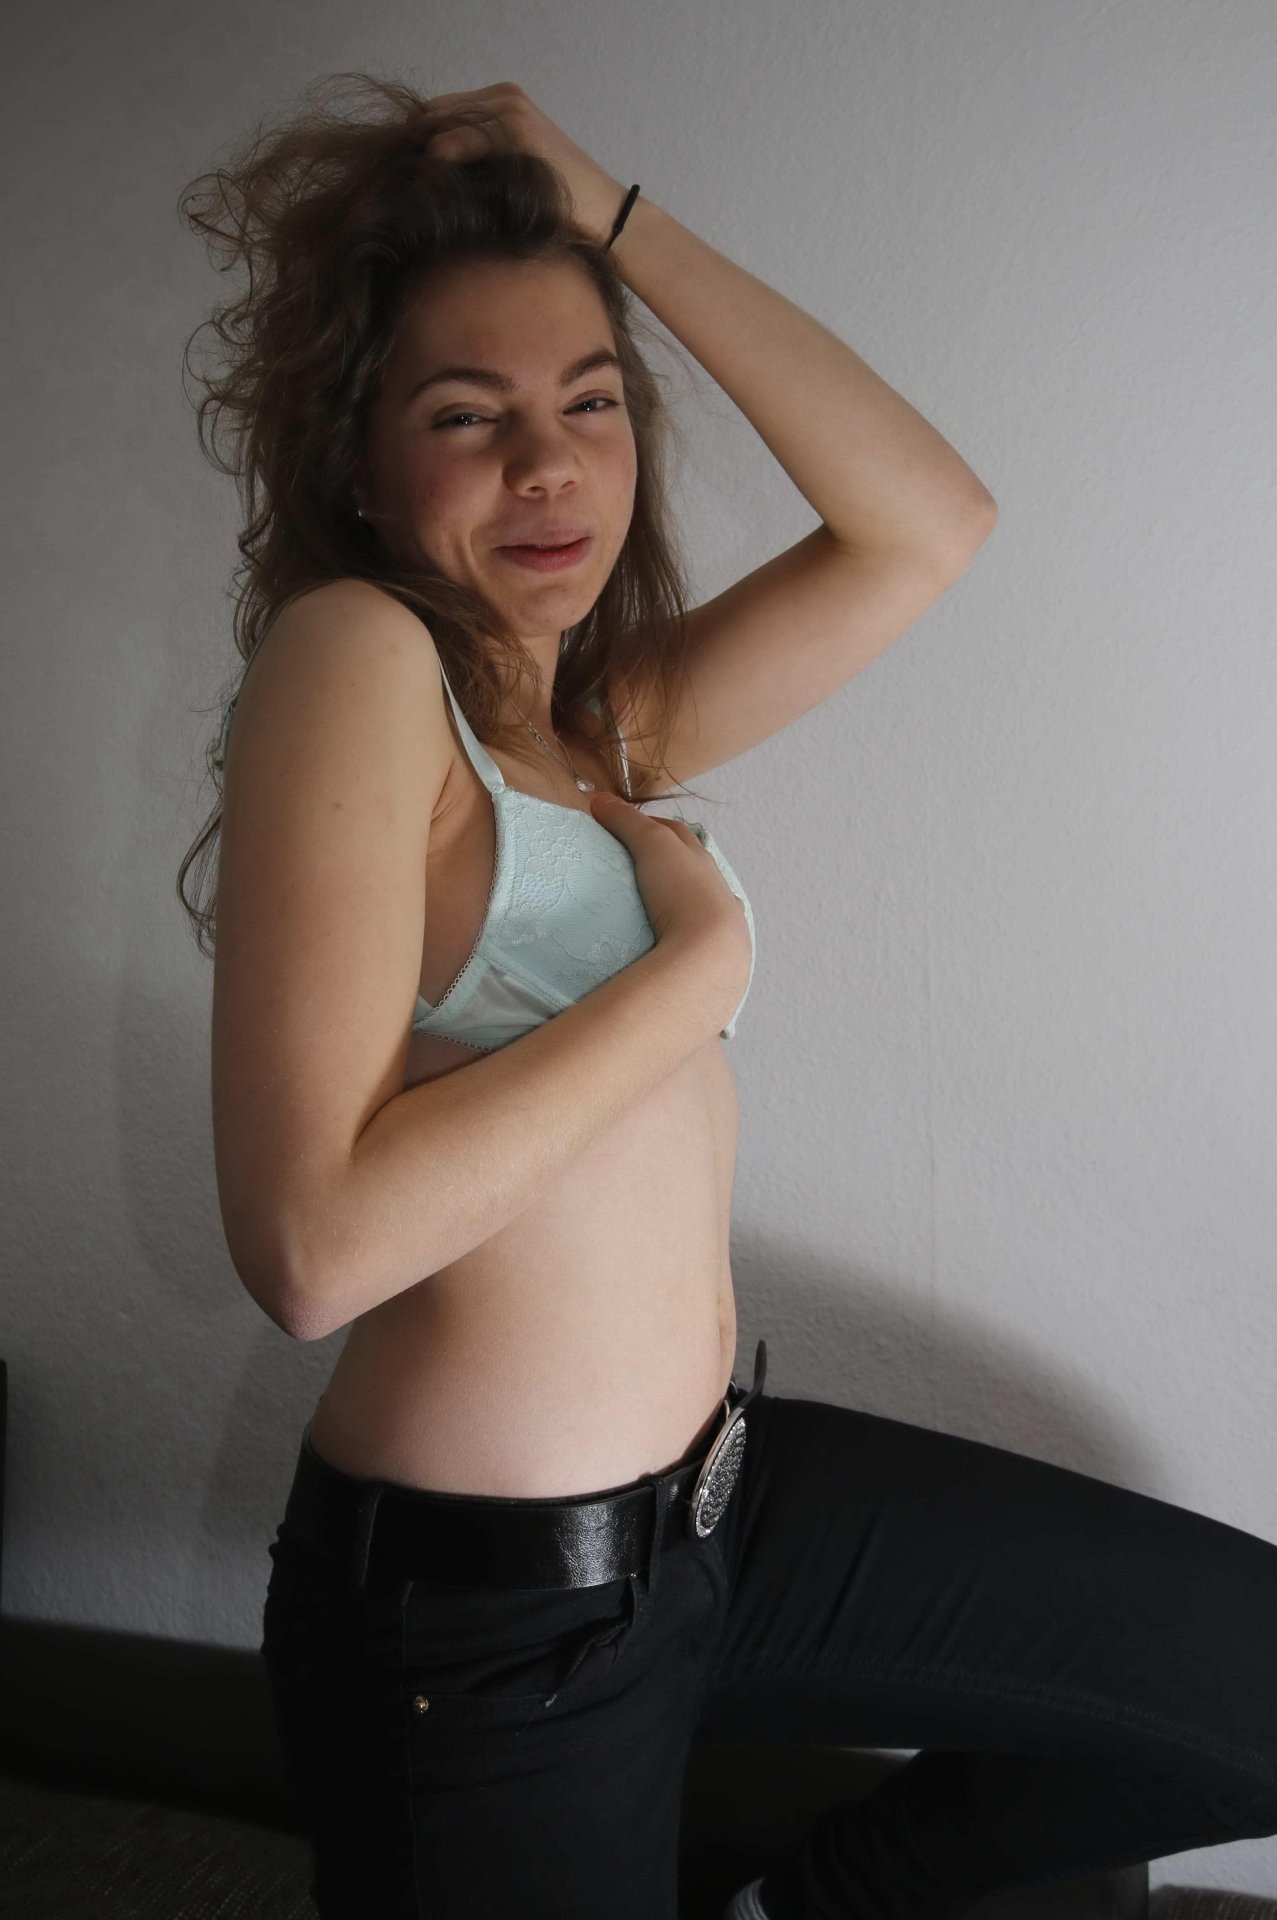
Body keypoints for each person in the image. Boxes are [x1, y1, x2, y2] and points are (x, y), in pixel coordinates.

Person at [186, 77, 1277, 1920]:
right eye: (466, 416)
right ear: (359, 464)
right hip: (484, 1622)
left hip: (719, 1507)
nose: (549, 468)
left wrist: (611, 213)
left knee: (1240, 1676)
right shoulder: (355, 651)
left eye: (589, 403)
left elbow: (924, 521)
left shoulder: (588, 727)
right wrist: (697, 973)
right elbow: (310, 1249)